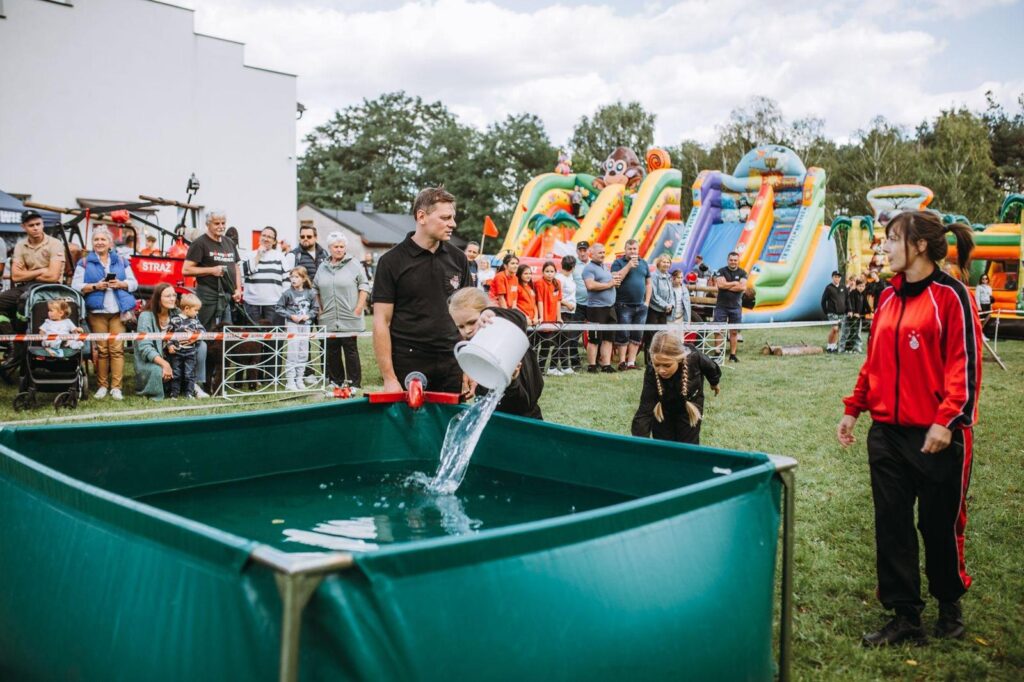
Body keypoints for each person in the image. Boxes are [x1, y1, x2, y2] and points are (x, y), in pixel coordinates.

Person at [837, 211, 982, 647]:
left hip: (937, 435)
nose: (885, 247)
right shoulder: (886, 297)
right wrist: (854, 408)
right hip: (887, 434)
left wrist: (946, 421)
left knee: (939, 525)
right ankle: (905, 617)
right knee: (892, 525)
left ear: (919, 245)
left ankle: (949, 606)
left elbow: (965, 364)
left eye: (893, 238)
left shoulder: (952, 296)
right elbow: (874, 361)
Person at [372, 186, 471, 394]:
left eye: (453, 218)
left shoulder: (459, 259)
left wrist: (469, 367)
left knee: (449, 417)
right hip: (409, 362)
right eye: (445, 218)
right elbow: (381, 321)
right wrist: (389, 378)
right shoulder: (391, 261)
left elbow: (470, 317)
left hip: (451, 362)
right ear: (421, 216)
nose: (452, 224)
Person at [448, 287, 543, 419]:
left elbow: (519, 318)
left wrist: (492, 312)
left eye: (472, 322)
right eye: (461, 326)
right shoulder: (476, 352)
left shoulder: (509, 337)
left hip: (527, 419)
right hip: (496, 418)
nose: (467, 330)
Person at [72, 227, 139, 400]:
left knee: (117, 350)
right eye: (96, 239)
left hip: (118, 312)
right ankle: (102, 386)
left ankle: (116, 387)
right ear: (92, 243)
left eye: (103, 239)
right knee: (102, 350)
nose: (99, 242)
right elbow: (75, 286)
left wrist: (121, 284)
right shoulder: (84, 262)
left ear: (110, 243)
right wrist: (95, 286)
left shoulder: (121, 260)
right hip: (96, 312)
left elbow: (134, 284)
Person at [0, 210, 66, 376]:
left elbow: (53, 276)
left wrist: (29, 272)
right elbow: (16, 276)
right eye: (31, 225)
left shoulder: (55, 243)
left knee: (24, 300)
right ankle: (15, 344)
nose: (36, 228)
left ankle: (22, 341)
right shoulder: (20, 245)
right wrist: (42, 270)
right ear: (24, 227)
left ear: (43, 224)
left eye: (38, 224)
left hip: (50, 288)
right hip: (26, 286)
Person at [631, 330, 721, 444]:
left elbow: (711, 367)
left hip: (690, 407)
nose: (661, 370)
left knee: (688, 446)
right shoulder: (651, 372)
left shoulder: (694, 356)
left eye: (667, 365)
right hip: (663, 410)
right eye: (657, 365)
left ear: (679, 358)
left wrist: (714, 382)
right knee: (664, 445)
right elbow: (644, 411)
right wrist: (639, 444)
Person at [134, 284, 209, 400]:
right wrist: (165, 364)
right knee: (158, 371)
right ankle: (173, 387)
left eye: (174, 295)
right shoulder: (146, 316)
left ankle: (195, 385)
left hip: (179, 354)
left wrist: (195, 337)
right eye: (168, 296)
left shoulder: (178, 312)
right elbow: (145, 347)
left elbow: (199, 327)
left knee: (202, 345)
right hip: (156, 359)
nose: (172, 299)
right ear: (158, 298)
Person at [315, 232, 370, 389]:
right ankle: (336, 381)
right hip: (328, 316)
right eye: (336, 247)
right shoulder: (322, 266)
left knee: (350, 350)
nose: (339, 249)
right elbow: (315, 288)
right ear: (329, 248)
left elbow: (364, 286)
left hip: (350, 315)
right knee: (332, 350)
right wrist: (320, 309)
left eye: (341, 246)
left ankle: (354, 383)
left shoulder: (354, 264)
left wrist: (359, 308)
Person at [182, 210, 241, 330]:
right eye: (217, 223)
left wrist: (238, 289)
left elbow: (236, 267)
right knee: (205, 329)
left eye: (223, 223)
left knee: (226, 330)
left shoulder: (229, 242)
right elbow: (186, 270)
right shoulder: (199, 243)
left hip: (226, 297)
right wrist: (212, 270)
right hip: (207, 297)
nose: (221, 226)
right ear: (208, 224)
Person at [276, 266, 320, 391]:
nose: (293, 279)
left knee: (303, 352)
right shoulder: (287, 293)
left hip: (305, 325)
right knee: (293, 352)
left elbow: (315, 308)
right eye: (292, 277)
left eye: (297, 277)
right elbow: (278, 308)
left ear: (304, 278)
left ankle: (299, 379)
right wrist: (291, 316)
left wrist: (308, 316)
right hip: (293, 325)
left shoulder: (310, 293)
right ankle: (290, 381)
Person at [610, 239, 651, 370]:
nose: (632, 251)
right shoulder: (618, 263)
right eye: (630, 249)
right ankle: (622, 362)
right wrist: (628, 266)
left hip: (641, 306)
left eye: (635, 249)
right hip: (623, 305)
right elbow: (616, 279)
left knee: (637, 335)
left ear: (638, 250)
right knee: (623, 334)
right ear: (625, 250)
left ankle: (631, 362)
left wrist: (647, 302)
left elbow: (648, 283)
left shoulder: (643, 263)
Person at [583, 242, 622, 373]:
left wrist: (614, 284)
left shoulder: (605, 267)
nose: (603, 255)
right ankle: (592, 366)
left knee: (608, 338)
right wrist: (610, 284)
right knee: (594, 339)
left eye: (604, 252)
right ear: (591, 254)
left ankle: (606, 365)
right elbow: (590, 285)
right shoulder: (589, 268)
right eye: (600, 253)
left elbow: (609, 283)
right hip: (596, 309)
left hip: (610, 308)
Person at [242, 225, 288, 325]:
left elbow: (286, 281)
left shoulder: (280, 257)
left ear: (274, 241)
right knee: (253, 334)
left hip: (274, 304)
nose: (266, 239)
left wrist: (282, 301)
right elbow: (245, 272)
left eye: (269, 237)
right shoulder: (248, 255)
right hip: (251, 304)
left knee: (274, 334)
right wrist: (258, 255)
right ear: (260, 237)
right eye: (264, 235)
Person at [166, 293, 205, 399]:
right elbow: (168, 334)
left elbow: (203, 332)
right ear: (187, 308)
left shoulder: (195, 321)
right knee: (176, 374)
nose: (197, 312)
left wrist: (195, 337)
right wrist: (170, 345)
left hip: (191, 353)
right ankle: (174, 393)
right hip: (176, 353)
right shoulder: (174, 320)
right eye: (196, 310)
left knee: (189, 374)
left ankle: (189, 393)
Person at [712, 251, 747, 362]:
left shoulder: (743, 273)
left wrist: (726, 285)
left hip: (736, 307)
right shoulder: (721, 271)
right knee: (718, 330)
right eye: (731, 260)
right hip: (721, 306)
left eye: (735, 260)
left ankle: (732, 355)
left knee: (734, 332)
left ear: (738, 261)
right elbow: (720, 285)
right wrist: (734, 283)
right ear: (728, 260)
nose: (733, 262)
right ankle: (717, 353)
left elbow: (742, 287)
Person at [533, 260, 563, 375]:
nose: (549, 274)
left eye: (551, 271)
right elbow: (539, 301)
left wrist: (559, 317)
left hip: (552, 319)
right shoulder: (539, 283)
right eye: (547, 271)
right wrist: (541, 317)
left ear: (555, 272)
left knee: (546, 346)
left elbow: (558, 301)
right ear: (543, 272)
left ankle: (541, 370)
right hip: (541, 319)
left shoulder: (557, 283)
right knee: (536, 346)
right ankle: (534, 370)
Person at [645, 254, 675, 359]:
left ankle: (659, 358)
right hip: (653, 310)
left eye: (668, 262)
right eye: (664, 262)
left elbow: (671, 293)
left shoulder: (669, 277)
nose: (666, 264)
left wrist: (671, 304)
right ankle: (649, 360)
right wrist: (666, 305)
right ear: (658, 263)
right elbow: (653, 295)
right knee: (651, 336)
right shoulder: (653, 276)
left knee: (662, 336)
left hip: (664, 311)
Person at [555, 255, 578, 373]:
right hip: (563, 312)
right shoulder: (560, 278)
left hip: (570, 312)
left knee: (565, 340)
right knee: (562, 341)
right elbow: (556, 297)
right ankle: (562, 366)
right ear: (573, 267)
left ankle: (562, 365)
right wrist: (567, 304)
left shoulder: (570, 277)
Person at [821, 270, 848, 353]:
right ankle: (829, 346)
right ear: (832, 277)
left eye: (838, 277)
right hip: (832, 312)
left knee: (838, 330)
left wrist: (848, 310)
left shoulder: (843, 287)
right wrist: (826, 312)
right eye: (835, 277)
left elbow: (847, 299)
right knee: (834, 329)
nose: (837, 278)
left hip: (842, 313)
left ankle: (834, 346)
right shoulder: (829, 288)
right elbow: (823, 301)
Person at [842, 278, 869, 353]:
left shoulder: (863, 294)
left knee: (857, 332)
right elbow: (851, 303)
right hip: (852, 316)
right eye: (860, 286)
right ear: (856, 286)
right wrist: (854, 312)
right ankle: (847, 348)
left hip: (859, 317)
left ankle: (855, 348)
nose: (861, 288)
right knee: (852, 332)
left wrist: (870, 311)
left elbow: (866, 304)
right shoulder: (853, 293)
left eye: (863, 286)